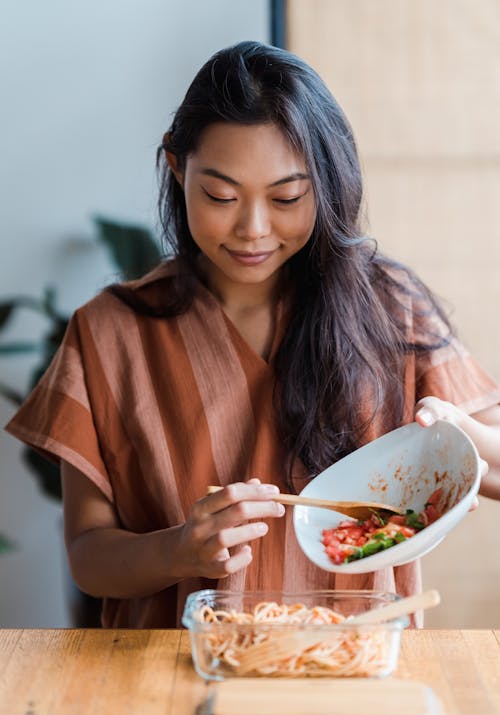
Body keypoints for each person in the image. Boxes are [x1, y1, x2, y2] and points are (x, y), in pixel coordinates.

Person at [5, 41, 500, 629]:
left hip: (357, 673)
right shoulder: (110, 332)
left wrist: (463, 437)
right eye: (220, 195)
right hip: (171, 681)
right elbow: (88, 556)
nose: (253, 229)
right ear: (176, 168)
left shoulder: (390, 307)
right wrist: (179, 550)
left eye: (287, 197)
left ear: (327, 183)